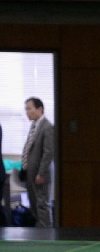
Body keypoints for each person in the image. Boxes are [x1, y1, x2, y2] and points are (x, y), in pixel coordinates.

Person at [21, 97, 56, 227]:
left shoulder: (47, 127)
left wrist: (41, 173)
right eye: (26, 109)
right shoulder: (34, 125)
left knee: (42, 204)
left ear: (40, 109)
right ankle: (39, 229)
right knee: (34, 202)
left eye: (29, 109)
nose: (27, 112)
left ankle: (45, 231)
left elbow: (48, 152)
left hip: (40, 173)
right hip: (31, 172)